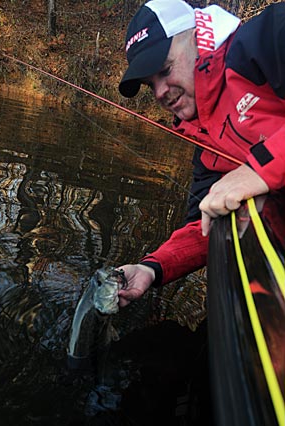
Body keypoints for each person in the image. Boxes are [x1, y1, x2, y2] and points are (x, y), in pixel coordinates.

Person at [117, 0, 285, 306]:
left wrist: (260, 169)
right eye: (149, 84)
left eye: (165, 70)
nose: (159, 92)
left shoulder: (266, 40)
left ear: (197, 36)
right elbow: (204, 224)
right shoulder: (206, 145)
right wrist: (152, 268)